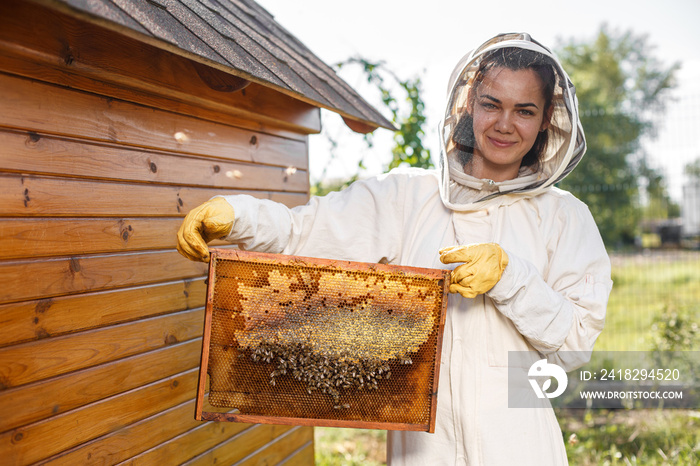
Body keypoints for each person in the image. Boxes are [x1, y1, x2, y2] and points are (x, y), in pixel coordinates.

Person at [177, 33, 612, 465]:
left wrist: (511, 278)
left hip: (520, 450)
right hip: (424, 453)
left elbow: (574, 345)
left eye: (525, 110)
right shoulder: (405, 195)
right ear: (467, 105)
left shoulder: (564, 217)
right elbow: (301, 233)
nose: (504, 123)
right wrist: (238, 215)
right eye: (491, 104)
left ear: (545, 120)